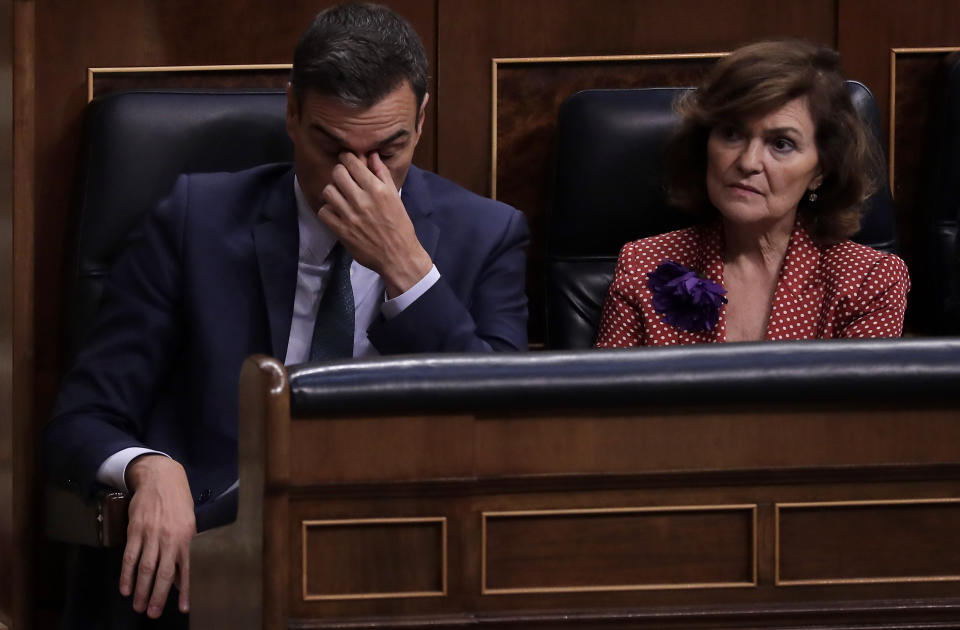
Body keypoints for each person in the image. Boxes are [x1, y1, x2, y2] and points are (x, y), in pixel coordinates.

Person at [44, 3, 528, 627]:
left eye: (390, 148)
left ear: (422, 120)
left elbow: (509, 431)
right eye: (333, 146)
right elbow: (82, 419)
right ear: (293, 114)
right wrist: (147, 466)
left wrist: (408, 269)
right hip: (223, 553)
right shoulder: (197, 219)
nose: (361, 175)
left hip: (403, 563)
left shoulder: (487, 235)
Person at [595, 40, 910, 348]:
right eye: (731, 133)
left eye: (781, 144)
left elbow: (853, 401)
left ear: (820, 171)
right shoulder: (644, 266)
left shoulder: (868, 281)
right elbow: (609, 396)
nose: (747, 162)